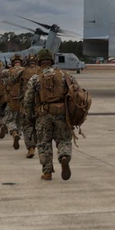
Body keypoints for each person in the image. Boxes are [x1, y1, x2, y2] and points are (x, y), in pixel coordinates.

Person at [23, 48, 79, 180]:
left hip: (43, 115)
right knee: (64, 140)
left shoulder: (35, 78)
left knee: (44, 143)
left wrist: (29, 117)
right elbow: (76, 91)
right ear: (51, 61)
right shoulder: (65, 75)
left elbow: (28, 100)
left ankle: (47, 172)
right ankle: (64, 156)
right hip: (62, 114)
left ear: (39, 61)